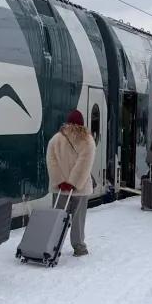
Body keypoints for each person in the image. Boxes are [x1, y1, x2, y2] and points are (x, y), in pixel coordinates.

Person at [45, 109, 95, 257]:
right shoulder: (87, 139)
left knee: (58, 218)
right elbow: (85, 162)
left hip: (60, 188)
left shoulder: (56, 139)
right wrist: (74, 182)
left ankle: (53, 246)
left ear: (67, 122)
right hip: (80, 188)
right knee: (78, 219)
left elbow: (51, 160)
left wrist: (60, 181)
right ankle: (79, 247)